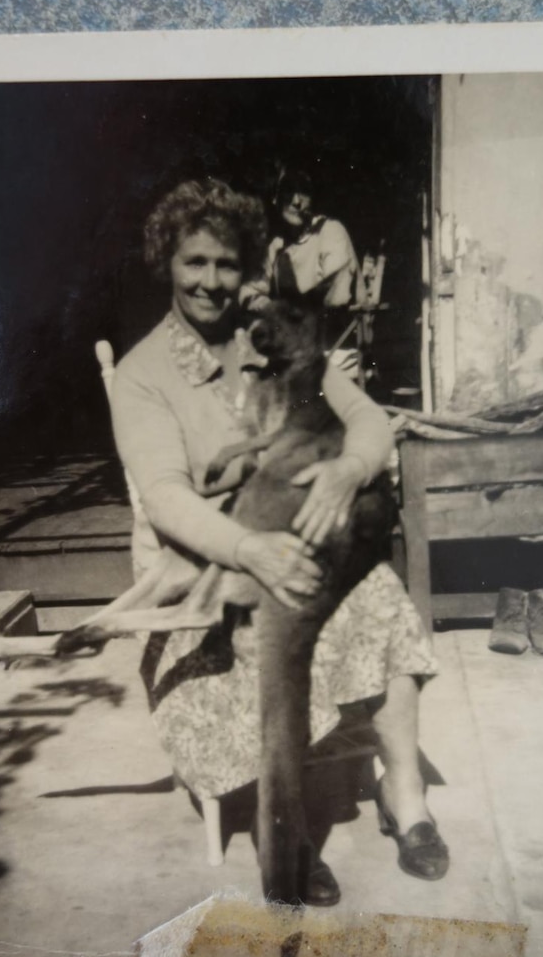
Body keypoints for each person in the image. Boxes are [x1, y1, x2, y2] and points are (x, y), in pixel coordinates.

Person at [109, 178, 446, 905]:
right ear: (167, 260)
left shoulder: (273, 337)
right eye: (194, 262)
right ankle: (284, 830)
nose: (211, 281)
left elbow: (369, 419)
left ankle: (406, 794)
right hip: (205, 575)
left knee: (378, 591)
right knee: (267, 637)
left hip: (292, 545)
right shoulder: (143, 376)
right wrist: (246, 550)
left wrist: (349, 470)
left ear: (250, 269)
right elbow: (166, 498)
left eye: (227, 264)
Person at [266, 170, 366, 378]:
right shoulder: (276, 247)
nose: (296, 201)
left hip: (336, 350)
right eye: (288, 192)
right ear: (275, 199)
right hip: (295, 353)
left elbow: (338, 295)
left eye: (304, 192)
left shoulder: (330, 232)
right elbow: (252, 288)